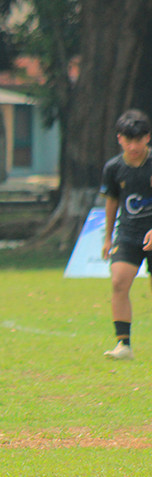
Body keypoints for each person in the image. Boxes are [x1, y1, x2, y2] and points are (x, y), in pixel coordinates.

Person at [100, 109, 152, 361]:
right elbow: (112, 202)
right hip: (129, 234)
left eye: (138, 140)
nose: (133, 146)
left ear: (148, 138)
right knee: (118, 282)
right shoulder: (113, 168)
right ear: (119, 139)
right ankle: (123, 345)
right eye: (128, 140)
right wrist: (108, 237)